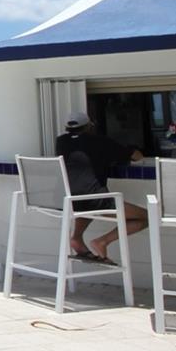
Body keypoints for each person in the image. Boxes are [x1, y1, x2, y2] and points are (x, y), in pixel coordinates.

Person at [54, 111, 148, 263]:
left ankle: (76, 238)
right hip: (94, 200)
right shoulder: (100, 142)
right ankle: (103, 241)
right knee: (146, 216)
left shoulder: (61, 142)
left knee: (85, 204)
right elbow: (137, 156)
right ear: (89, 126)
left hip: (67, 200)